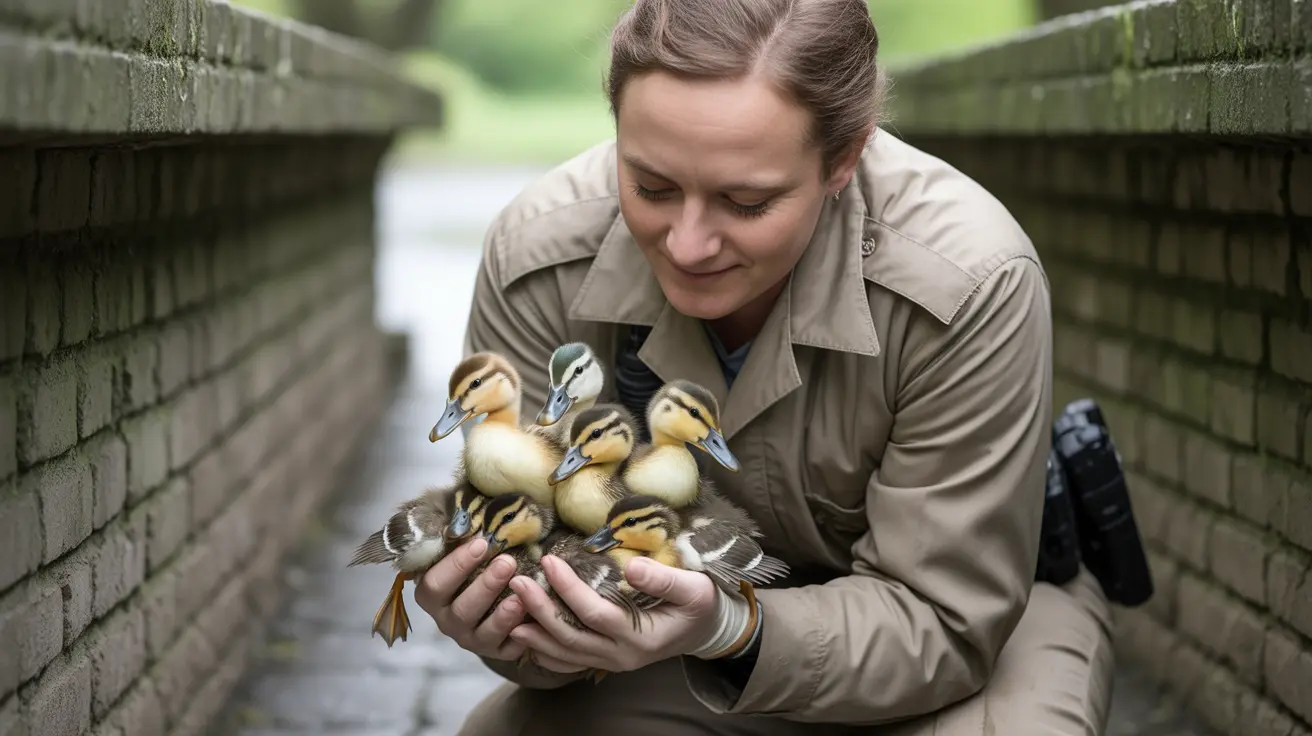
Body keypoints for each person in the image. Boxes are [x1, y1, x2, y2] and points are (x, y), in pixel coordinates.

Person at [413, 0, 1115, 733]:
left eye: (745, 202)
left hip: (954, 635)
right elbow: (532, 565)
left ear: (845, 159)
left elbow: (943, 618)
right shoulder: (539, 259)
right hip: (678, 641)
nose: (686, 245)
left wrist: (729, 628)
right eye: (650, 187)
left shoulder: (970, 279)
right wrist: (509, 624)